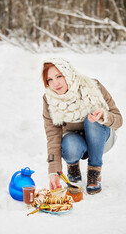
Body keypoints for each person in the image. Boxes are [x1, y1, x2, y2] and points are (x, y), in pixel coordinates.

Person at [42, 58, 123, 195]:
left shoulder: (93, 86)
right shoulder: (49, 99)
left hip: (101, 139)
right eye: (49, 80)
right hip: (75, 142)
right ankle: (72, 165)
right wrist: (54, 172)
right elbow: (52, 136)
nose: (55, 83)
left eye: (59, 76)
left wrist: (103, 116)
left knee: (92, 120)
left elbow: (119, 119)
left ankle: (94, 172)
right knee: (69, 145)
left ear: (67, 73)